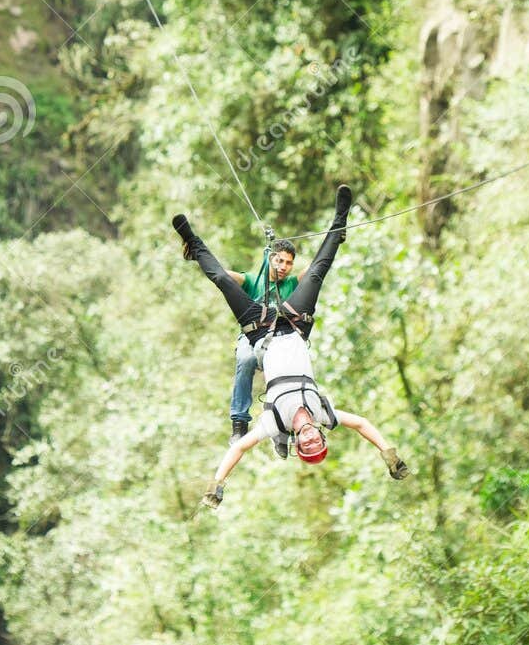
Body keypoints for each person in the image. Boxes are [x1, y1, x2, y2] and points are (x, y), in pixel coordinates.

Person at [172, 190, 410, 508]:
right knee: (318, 271)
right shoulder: (323, 414)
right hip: (296, 325)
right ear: (321, 435)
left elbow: (239, 448)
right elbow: (362, 424)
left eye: (307, 445)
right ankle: (340, 220)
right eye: (317, 442)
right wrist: (388, 453)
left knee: (221, 280)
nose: (312, 439)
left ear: (299, 443)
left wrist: (217, 484)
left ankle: (192, 240)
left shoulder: (275, 424)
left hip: (261, 331)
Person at [225, 237, 305, 441]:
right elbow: (224, 276)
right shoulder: (253, 280)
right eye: (279, 261)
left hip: (279, 339)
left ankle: (282, 427)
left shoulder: (292, 284)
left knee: (288, 371)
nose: (284, 267)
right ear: (270, 259)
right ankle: (239, 422)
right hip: (252, 336)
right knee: (246, 360)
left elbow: (316, 271)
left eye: (289, 263)